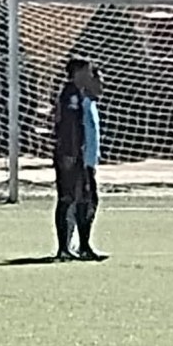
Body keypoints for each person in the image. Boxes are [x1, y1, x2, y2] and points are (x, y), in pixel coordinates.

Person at [53, 56, 90, 261]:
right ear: (77, 73)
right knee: (67, 198)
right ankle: (63, 248)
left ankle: (77, 246)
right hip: (68, 154)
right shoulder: (70, 94)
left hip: (76, 154)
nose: (89, 75)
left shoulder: (77, 92)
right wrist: (69, 152)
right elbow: (68, 126)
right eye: (86, 71)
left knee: (79, 198)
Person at [76, 65, 105, 261]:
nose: (102, 87)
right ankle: (82, 246)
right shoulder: (82, 104)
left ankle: (82, 244)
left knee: (91, 202)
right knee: (86, 202)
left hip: (90, 164)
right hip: (82, 164)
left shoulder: (91, 105)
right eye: (98, 82)